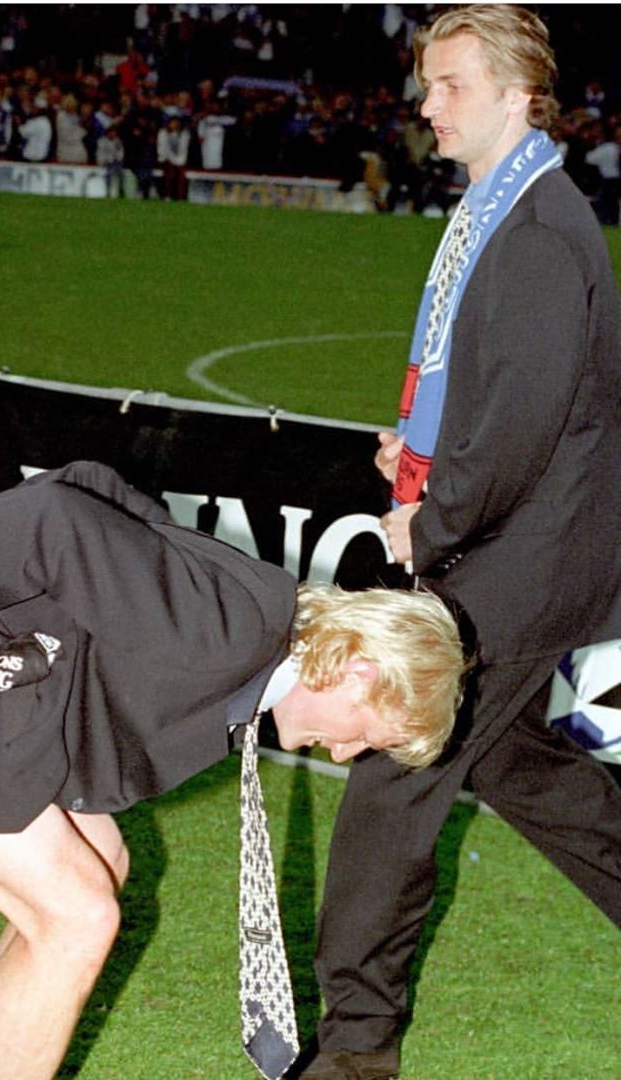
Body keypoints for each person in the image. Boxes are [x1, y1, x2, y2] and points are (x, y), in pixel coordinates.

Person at [0, 461, 466, 1080]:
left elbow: (90, 483)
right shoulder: (232, 633)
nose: (345, 754)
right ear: (358, 673)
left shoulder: (261, 625)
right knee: (79, 916)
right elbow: (54, 516)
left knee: (101, 863)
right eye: (367, 735)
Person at [300, 8, 621, 1079]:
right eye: (427, 85)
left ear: (520, 94)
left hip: (518, 569)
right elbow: (512, 398)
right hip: (527, 554)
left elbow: (525, 433)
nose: (425, 105)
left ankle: (354, 1056)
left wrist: (428, 519)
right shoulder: (510, 213)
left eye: (447, 86)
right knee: (526, 772)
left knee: (394, 779)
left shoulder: (532, 230)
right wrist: (423, 453)